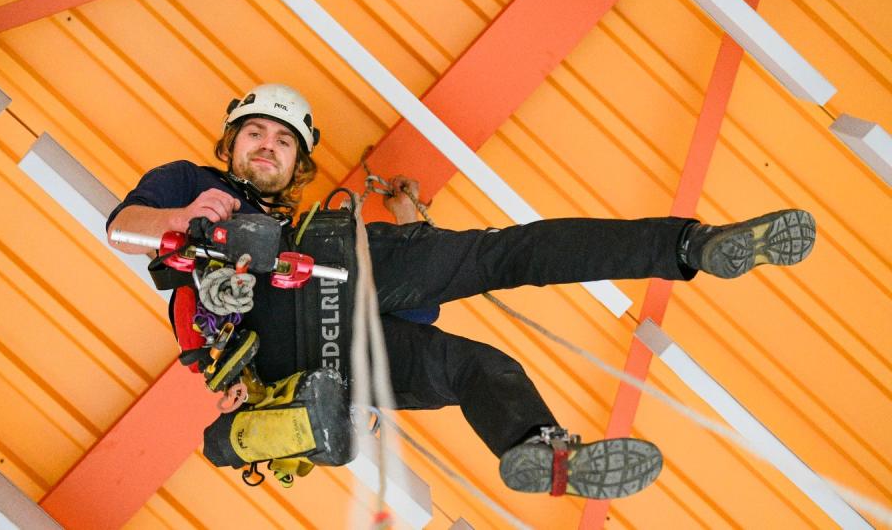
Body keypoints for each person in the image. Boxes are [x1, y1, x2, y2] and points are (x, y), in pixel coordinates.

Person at [106, 83, 816, 500]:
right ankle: (685, 246)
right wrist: (181, 219)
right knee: (503, 257)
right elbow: (122, 230)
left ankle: (545, 451)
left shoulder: (298, 218)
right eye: (254, 133)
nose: (266, 145)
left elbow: (415, 293)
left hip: (335, 313)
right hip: (272, 327)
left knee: (483, 355)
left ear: (298, 164)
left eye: (283, 142)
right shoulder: (187, 184)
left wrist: (414, 225)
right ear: (229, 144)